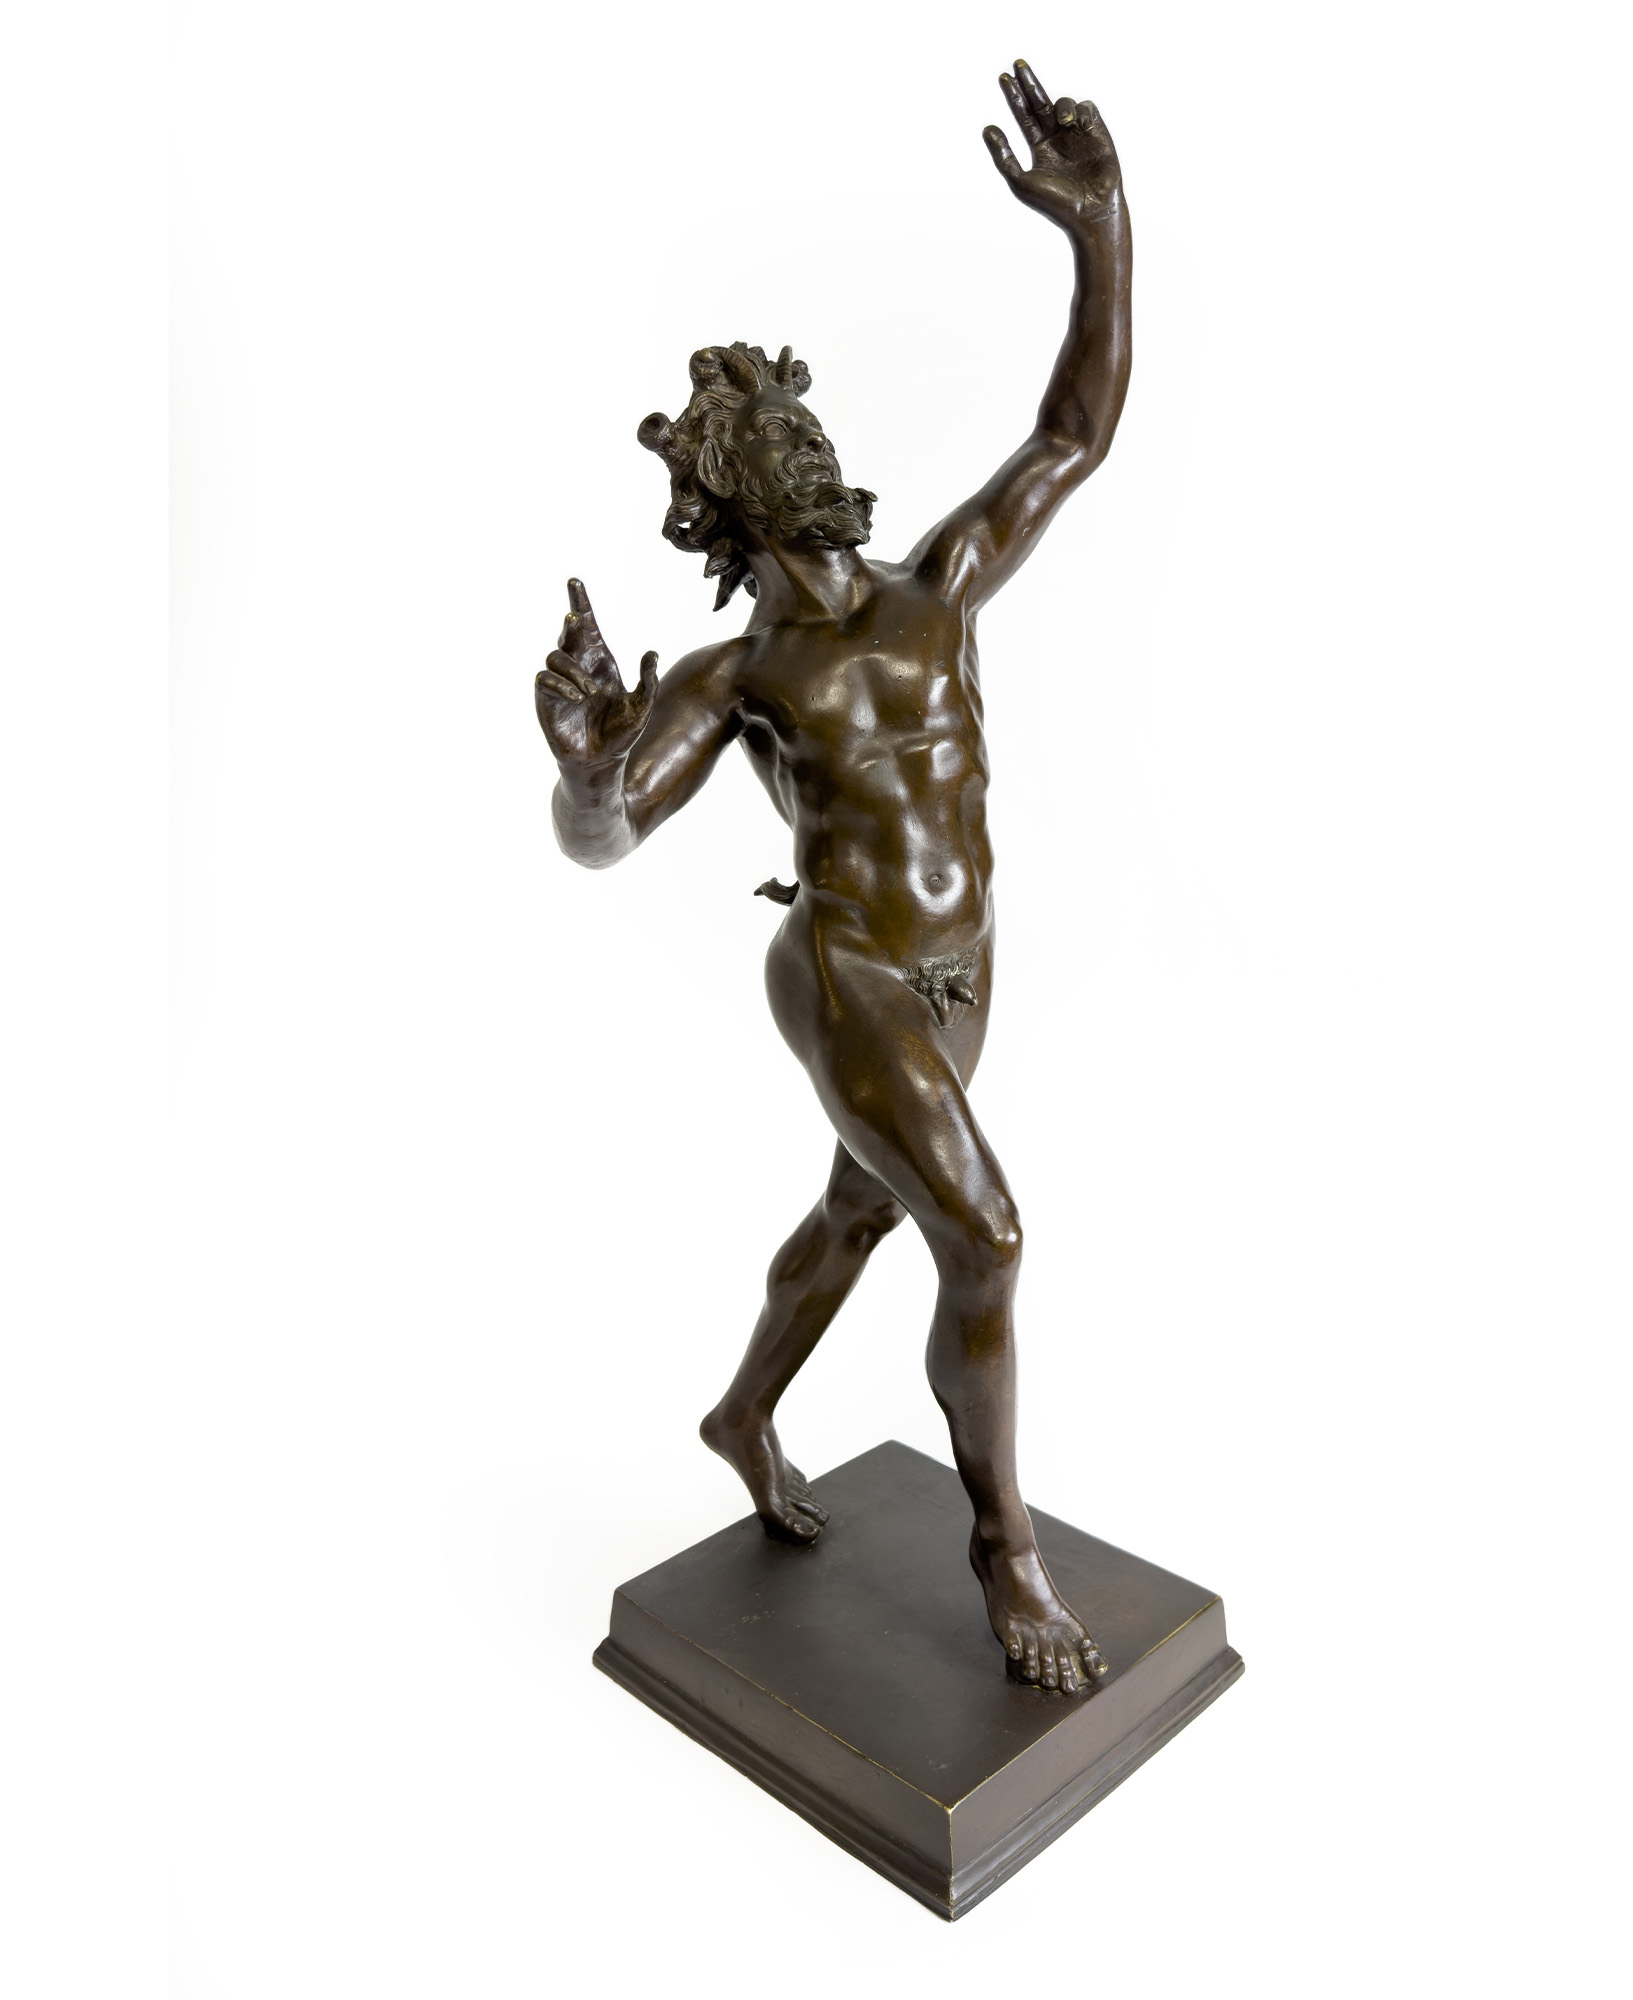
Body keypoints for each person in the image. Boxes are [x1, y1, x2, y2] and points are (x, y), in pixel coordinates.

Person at [535, 62, 1130, 1697]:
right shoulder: (735, 676)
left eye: (796, 421)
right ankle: (1005, 1549)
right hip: (845, 966)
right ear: (724, 498)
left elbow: (1072, 435)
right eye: (762, 441)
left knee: (865, 1206)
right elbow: (608, 837)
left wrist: (1102, 233)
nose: (797, 444)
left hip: (961, 971)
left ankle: (741, 1413)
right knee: (985, 1235)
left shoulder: (940, 585)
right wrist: (584, 766)